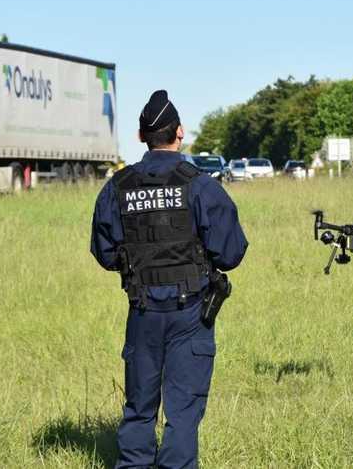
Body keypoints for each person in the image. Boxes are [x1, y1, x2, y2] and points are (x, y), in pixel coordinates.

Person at [91, 90, 248, 468]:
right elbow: (230, 253)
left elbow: (104, 251)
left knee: (139, 404)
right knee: (183, 409)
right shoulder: (201, 185)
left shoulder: (118, 186)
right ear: (180, 132)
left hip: (142, 309)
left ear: (141, 136)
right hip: (191, 312)